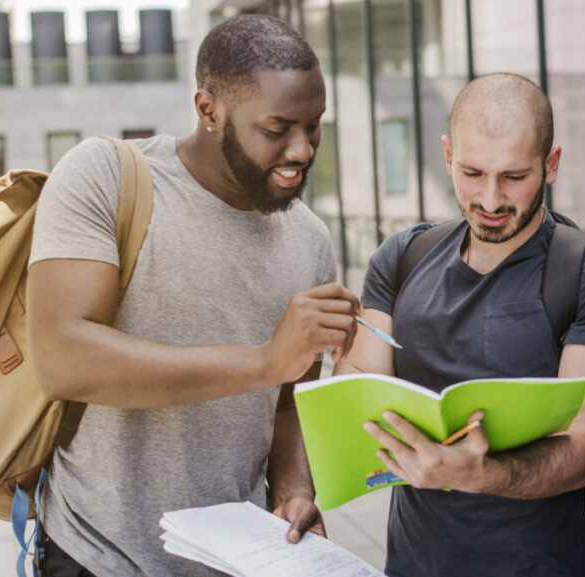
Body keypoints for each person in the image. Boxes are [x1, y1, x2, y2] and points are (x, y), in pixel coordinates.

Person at [25, 15, 360, 577]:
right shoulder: (105, 176)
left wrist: (296, 491)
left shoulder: (310, 240)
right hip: (99, 555)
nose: (302, 149)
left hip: (238, 561)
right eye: (278, 128)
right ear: (209, 110)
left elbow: (287, 407)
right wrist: (262, 361)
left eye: (314, 125)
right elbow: (60, 358)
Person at [334, 73, 585, 577]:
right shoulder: (401, 258)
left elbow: (584, 449)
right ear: (446, 155)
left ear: (552, 165)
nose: (492, 199)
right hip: (411, 564)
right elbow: (360, 396)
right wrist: (340, 373)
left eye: (514, 176)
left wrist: (482, 474)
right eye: (472, 173)